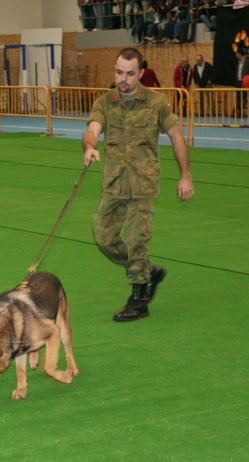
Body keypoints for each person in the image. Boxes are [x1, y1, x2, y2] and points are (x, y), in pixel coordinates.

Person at [82, 47, 195, 322]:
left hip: (143, 184)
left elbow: (177, 137)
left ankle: (139, 298)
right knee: (103, 237)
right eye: (119, 72)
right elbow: (93, 129)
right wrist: (89, 147)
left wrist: (185, 175)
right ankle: (146, 271)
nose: (124, 78)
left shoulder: (157, 103)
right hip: (114, 183)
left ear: (141, 73)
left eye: (130, 73)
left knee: (137, 240)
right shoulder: (105, 102)